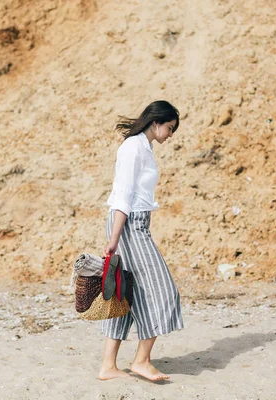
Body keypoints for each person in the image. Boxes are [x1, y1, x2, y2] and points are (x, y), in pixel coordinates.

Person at [99, 100, 184, 382]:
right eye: (170, 128)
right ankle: (141, 361)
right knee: (164, 290)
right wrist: (114, 240)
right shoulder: (133, 147)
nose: (170, 135)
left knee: (126, 293)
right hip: (129, 226)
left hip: (134, 224)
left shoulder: (142, 148)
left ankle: (108, 367)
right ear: (156, 122)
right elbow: (123, 195)